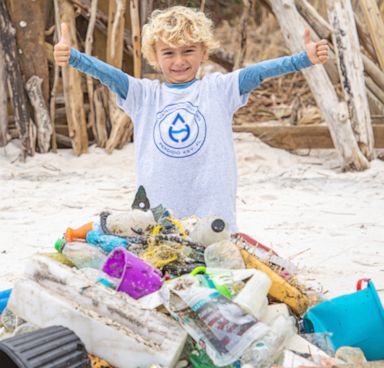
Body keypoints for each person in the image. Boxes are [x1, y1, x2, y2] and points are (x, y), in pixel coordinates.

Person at [54, 6, 328, 232]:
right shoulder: (144, 95)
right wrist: (74, 58)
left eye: (188, 51)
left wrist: (302, 59)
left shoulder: (218, 90)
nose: (179, 61)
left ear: (204, 52)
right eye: (168, 53)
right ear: (155, 57)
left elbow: (258, 72)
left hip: (212, 214)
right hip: (158, 216)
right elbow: (109, 75)